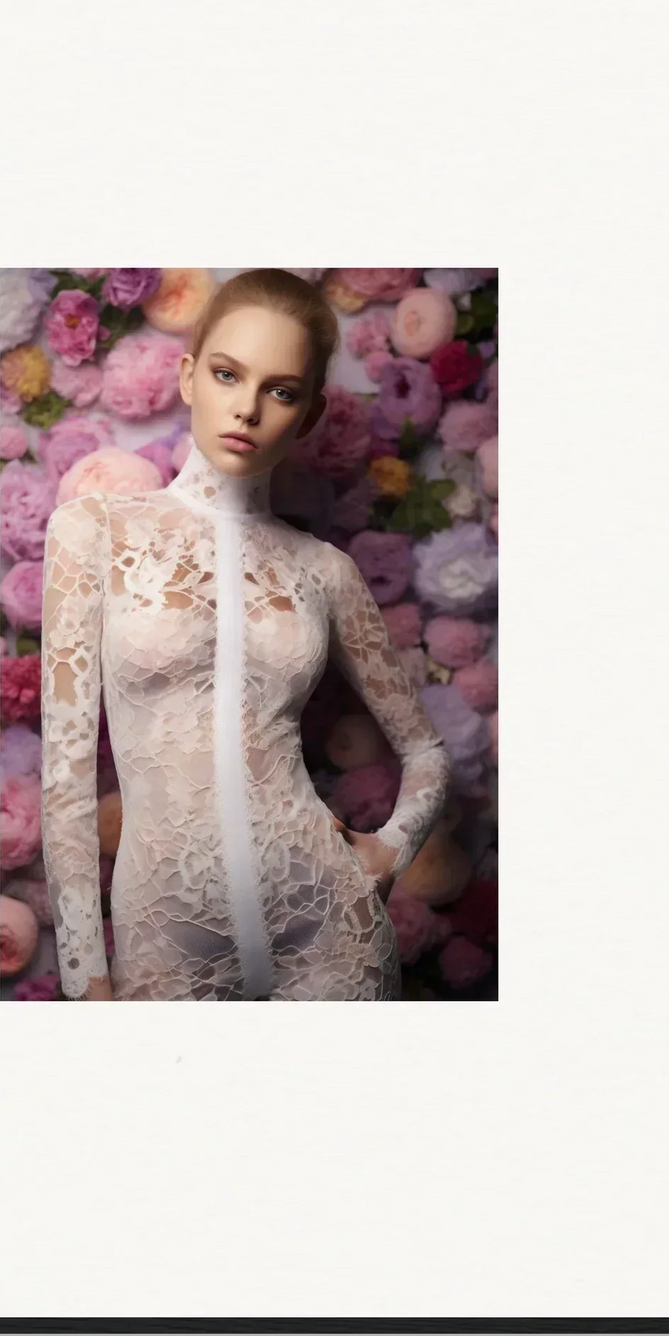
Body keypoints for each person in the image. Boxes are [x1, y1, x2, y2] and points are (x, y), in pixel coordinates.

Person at [39, 269, 453, 1000]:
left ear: (310, 411)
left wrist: (390, 849)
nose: (249, 408)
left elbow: (425, 749)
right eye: (229, 374)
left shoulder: (324, 570)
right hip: (166, 933)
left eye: (281, 390)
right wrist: (83, 975)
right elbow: (66, 777)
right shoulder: (95, 532)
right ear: (189, 375)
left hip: (328, 921)